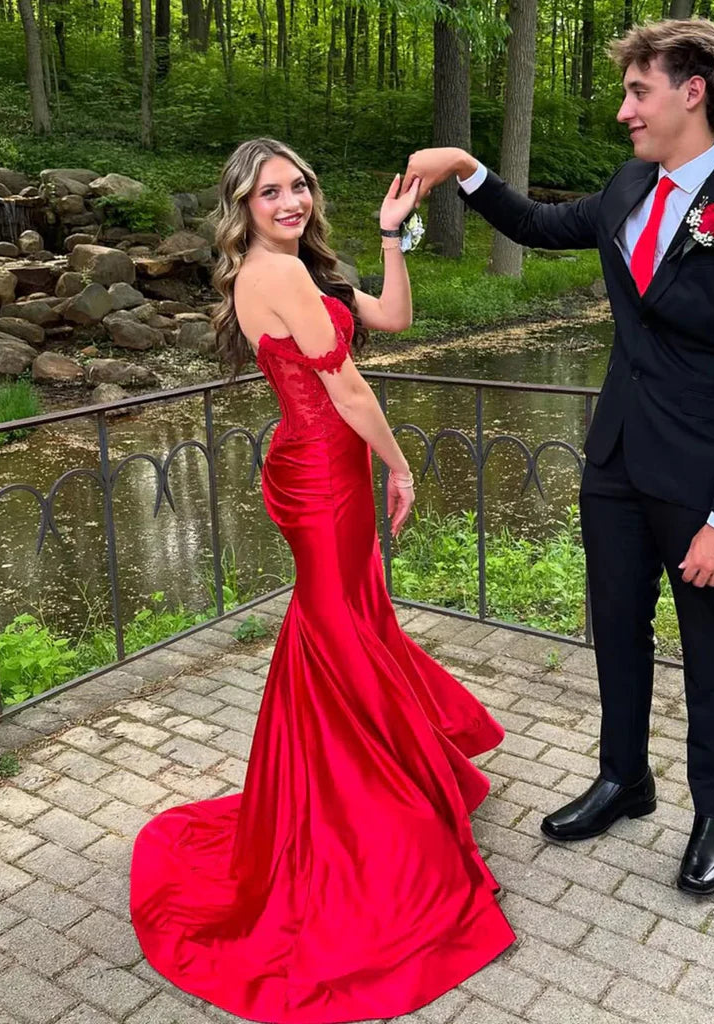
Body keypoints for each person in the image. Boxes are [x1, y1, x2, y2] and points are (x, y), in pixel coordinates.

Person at [129, 138, 514, 1023]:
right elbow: (346, 389)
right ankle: (367, 814)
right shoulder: (273, 275)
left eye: (299, 184)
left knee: (351, 622)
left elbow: (393, 320)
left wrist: (391, 235)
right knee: (337, 630)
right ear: (243, 205)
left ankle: (344, 791)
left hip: (331, 468)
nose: (291, 201)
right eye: (270, 192)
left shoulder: (306, 268)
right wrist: (402, 465)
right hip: (321, 475)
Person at [403, 18, 714, 896]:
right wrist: (466, 169)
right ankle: (624, 779)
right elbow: (540, 224)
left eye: (638, 91)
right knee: (616, 628)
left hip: (704, 476)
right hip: (616, 459)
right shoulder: (629, 185)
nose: (625, 110)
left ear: (692, 92)